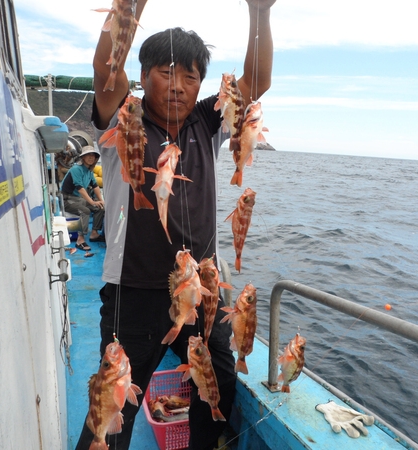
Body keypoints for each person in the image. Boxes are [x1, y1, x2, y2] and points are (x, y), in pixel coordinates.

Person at [75, 1, 275, 449]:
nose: (180, 87)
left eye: (191, 77)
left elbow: (256, 84)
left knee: (217, 383)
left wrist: (260, 13)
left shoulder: (207, 123)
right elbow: (105, 67)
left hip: (201, 289)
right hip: (134, 293)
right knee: (112, 406)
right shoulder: (123, 120)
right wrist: (129, 7)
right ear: (143, 76)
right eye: (167, 73)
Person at [61, 146, 106, 251]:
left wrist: (101, 201)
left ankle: (94, 234)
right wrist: (91, 202)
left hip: (79, 199)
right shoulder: (76, 169)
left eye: (93, 155)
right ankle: (80, 240)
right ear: (83, 157)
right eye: (88, 155)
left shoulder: (89, 171)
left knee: (100, 208)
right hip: (67, 200)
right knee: (85, 211)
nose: (91, 158)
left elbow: (95, 186)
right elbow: (80, 188)